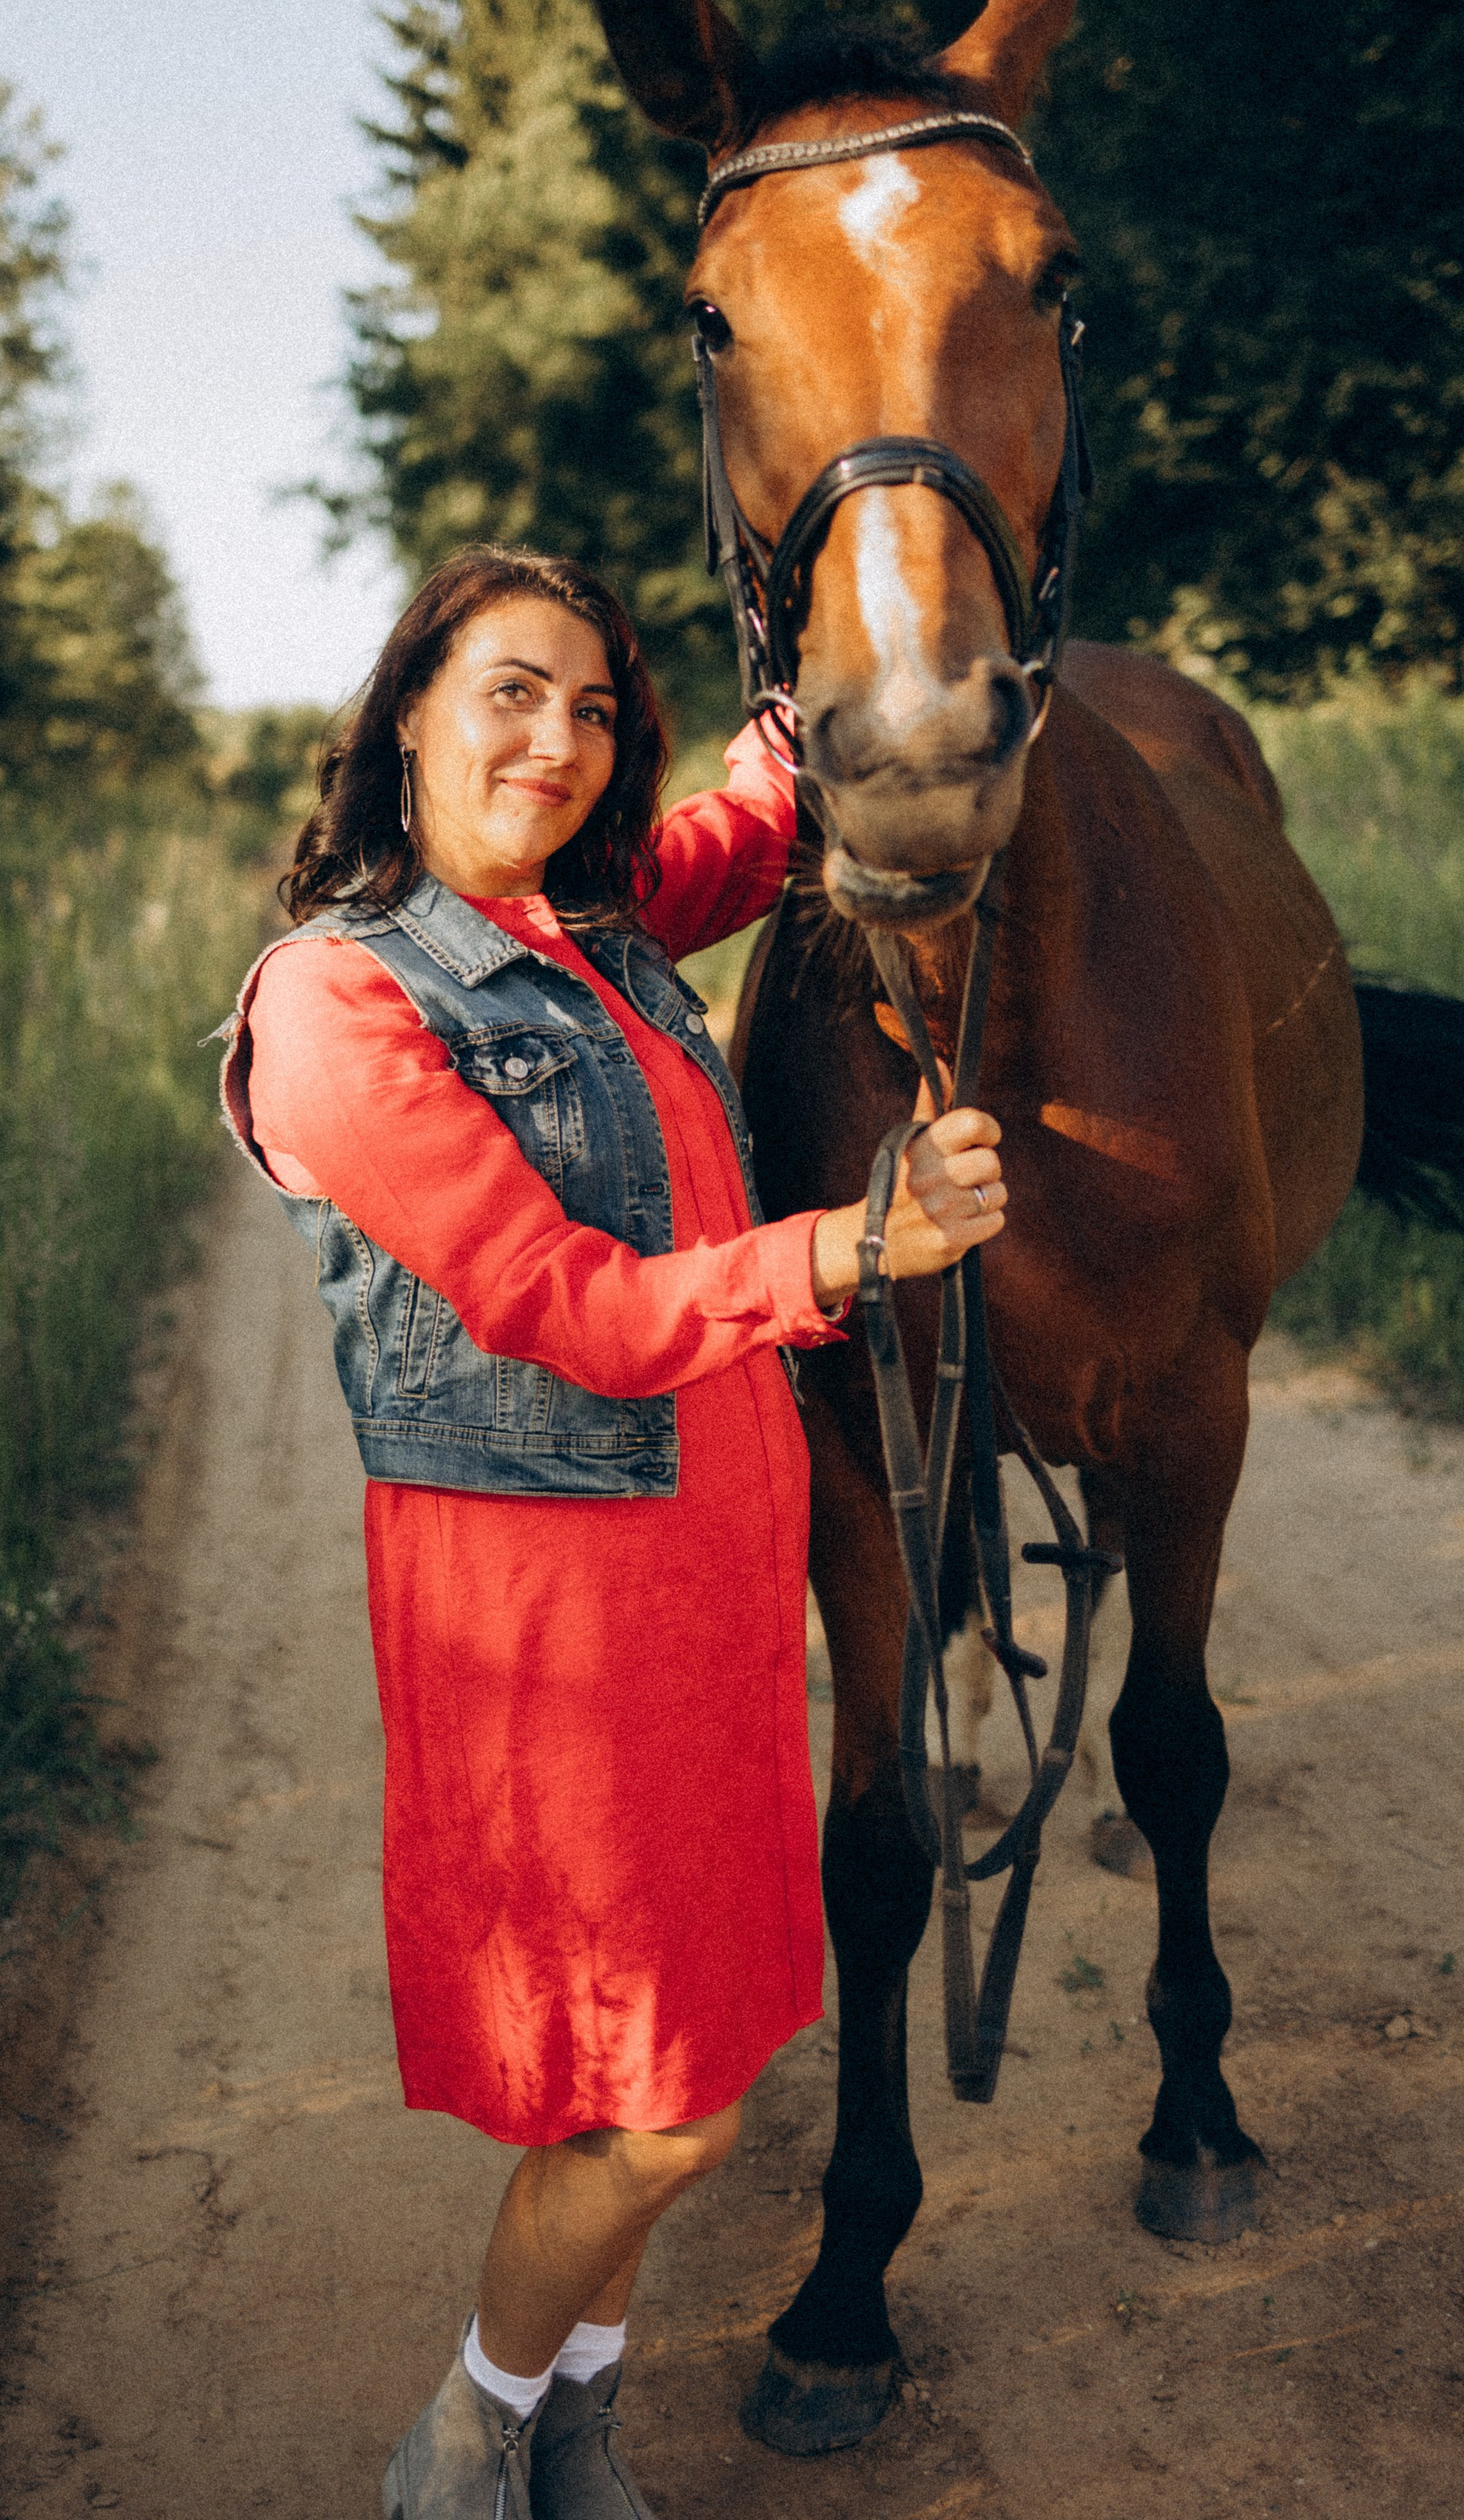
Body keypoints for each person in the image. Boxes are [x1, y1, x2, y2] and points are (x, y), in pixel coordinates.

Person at [220, 546, 1005, 2520]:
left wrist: (845, 612)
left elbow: (757, 814)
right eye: (509, 692)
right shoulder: (341, 1000)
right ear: (409, 707)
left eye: (592, 710)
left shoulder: (599, 923)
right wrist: (849, 1248)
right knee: (662, 2098)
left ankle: (575, 2427)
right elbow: (556, 1304)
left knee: (667, 2058)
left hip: (720, 1593)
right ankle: (468, 2438)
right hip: (553, 1625)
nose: (557, 743)